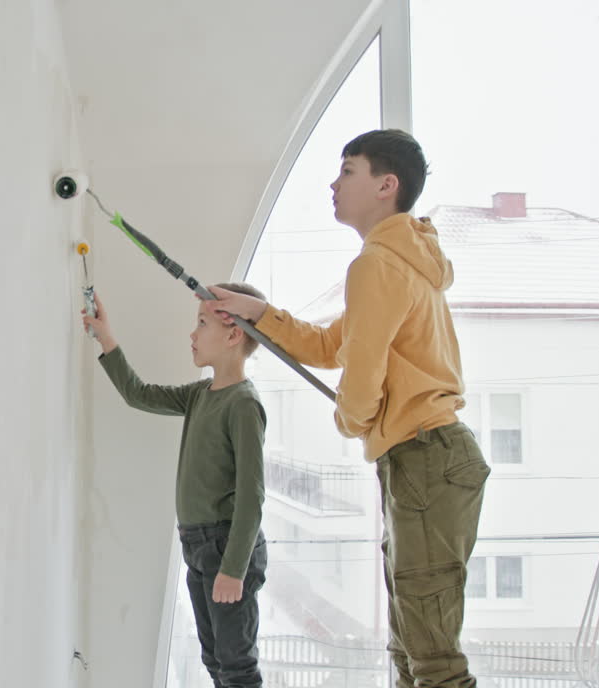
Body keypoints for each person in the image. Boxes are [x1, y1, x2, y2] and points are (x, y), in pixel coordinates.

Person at [203, 129, 490, 687]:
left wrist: (351, 420)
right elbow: (332, 345)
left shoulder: (379, 264)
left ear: (387, 185)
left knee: (429, 656)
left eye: (348, 171)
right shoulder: (398, 261)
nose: (334, 184)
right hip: (425, 459)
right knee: (413, 644)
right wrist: (256, 311)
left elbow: (360, 377)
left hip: (426, 457)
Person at [82, 283, 269, 688]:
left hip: (226, 548)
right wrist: (107, 338)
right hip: (198, 546)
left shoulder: (243, 404)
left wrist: (234, 569)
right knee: (215, 660)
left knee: (236, 666)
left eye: (201, 323)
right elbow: (139, 395)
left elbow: (251, 497)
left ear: (234, 334)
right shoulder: (201, 394)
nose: (192, 334)